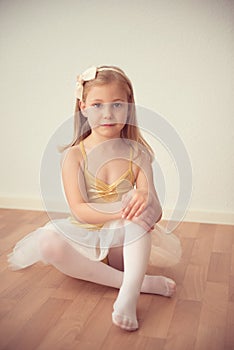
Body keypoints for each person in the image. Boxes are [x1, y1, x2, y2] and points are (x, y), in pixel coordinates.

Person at [8, 65, 181, 331]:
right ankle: (138, 284)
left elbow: (155, 211)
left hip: (123, 243)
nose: (108, 114)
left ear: (129, 107)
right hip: (86, 234)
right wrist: (121, 211)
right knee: (47, 242)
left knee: (138, 216)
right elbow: (79, 210)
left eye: (117, 105)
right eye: (98, 105)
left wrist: (143, 198)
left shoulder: (139, 154)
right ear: (83, 107)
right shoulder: (75, 155)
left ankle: (129, 295)